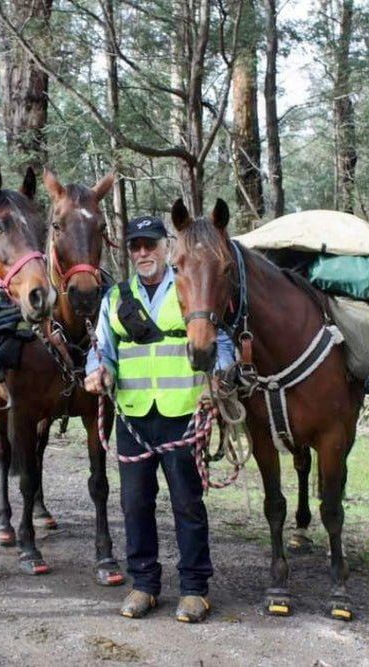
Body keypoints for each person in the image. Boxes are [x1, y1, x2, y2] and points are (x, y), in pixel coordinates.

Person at [84, 214, 233, 623]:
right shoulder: (115, 297)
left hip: (182, 413)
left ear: (166, 246)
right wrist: (98, 370)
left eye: (150, 244)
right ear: (130, 252)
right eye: (136, 246)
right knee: (135, 505)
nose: (143, 252)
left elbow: (221, 341)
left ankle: (194, 589)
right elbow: (100, 346)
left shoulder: (188, 284)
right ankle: (144, 584)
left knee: (187, 504)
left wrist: (217, 379)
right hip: (133, 417)